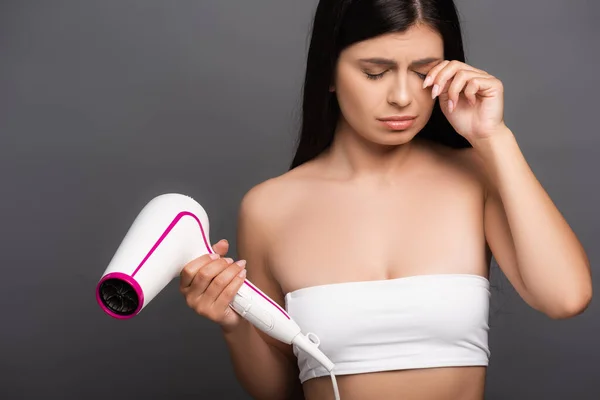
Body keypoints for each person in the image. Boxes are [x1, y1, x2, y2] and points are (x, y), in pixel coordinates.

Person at [179, 1, 593, 399]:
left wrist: (494, 138)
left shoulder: (476, 178)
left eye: (423, 72)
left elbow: (565, 298)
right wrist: (233, 325)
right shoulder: (270, 207)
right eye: (375, 73)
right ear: (329, 72)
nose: (402, 97)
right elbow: (281, 388)